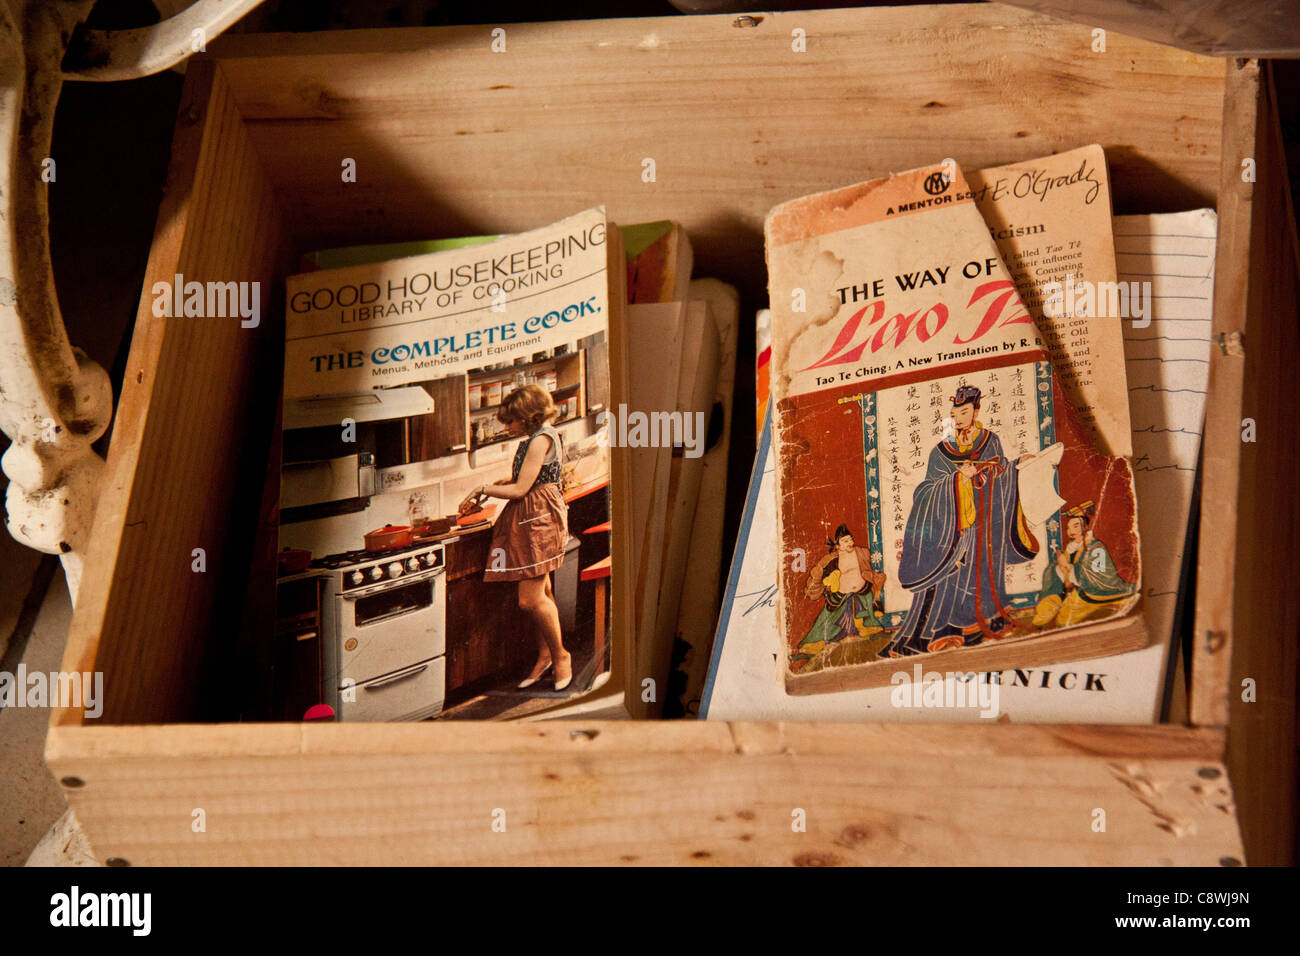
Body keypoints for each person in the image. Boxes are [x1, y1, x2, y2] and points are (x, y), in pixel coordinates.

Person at [885, 385, 1039, 657]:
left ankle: (985, 623)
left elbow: (999, 470)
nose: (958, 418)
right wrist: (958, 480)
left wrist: (1016, 467)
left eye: (964, 411)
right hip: (955, 529)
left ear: (976, 411)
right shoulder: (940, 451)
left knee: (985, 573)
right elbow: (926, 491)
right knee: (950, 577)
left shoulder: (990, 440)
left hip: (985, 523)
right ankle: (945, 632)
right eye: (954, 412)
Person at [459, 385, 572, 691]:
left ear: (528, 417)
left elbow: (523, 490)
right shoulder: (539, 437)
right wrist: (501, 483)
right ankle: (546, 654)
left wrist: (483, 488)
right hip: (532, 516)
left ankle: (562, 657)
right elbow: (528, 481)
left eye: (511, 421)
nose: (507, 427)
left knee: (529, 599)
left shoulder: (540, 440)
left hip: (538, 518)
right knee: (543, 590)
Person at [791, 524, 889, 671]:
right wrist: (819, 583)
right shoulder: (831, 560)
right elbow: (817, 578)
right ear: (837, 545)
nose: (850, 543)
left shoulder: (861, 553)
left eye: (850, 540)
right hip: (841, 598)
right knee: (827, 625)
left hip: (862, 594)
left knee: (870, 624)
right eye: (845, 541)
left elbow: (877, 558)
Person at [1033, 502, 1135, 628]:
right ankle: (1046, 611)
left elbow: (1098, 577)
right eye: (1069, 528)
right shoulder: (1071, 548)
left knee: (1064, 619)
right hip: (1079, 589)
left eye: (1076, 526)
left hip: (1095, 592)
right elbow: (1065, 568)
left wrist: (1070, 569)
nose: (1071, 531)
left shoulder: (1096, 548)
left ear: (1085, 526)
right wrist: (1061, 562)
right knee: (1052, 571)